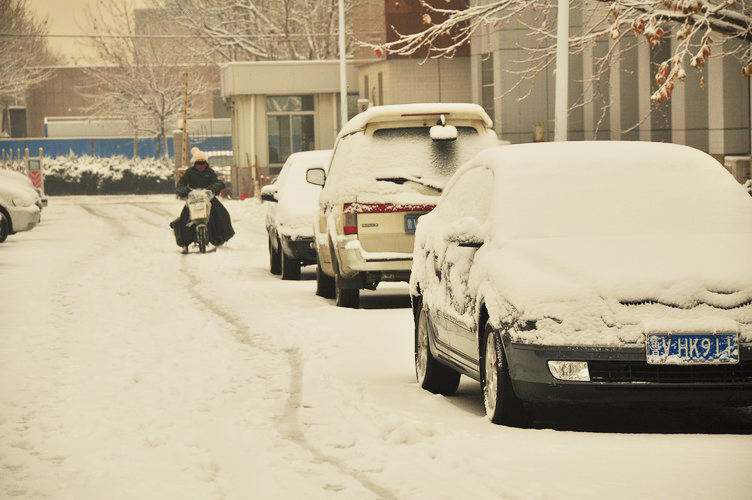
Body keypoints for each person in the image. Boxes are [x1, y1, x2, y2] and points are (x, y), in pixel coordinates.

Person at [170, 147, 235, 250]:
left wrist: (213, 189)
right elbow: (181, 184)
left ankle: (219, 239)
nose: (201, 165)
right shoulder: (189, 173)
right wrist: (186, 191)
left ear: (206, 163)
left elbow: (217, 182)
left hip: (208, 198)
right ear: (194, 163)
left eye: (203, 163)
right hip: (193, 199)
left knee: (222, 215)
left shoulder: (210, 172)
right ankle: (185, 242)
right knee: (184, 218)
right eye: (198, 163)